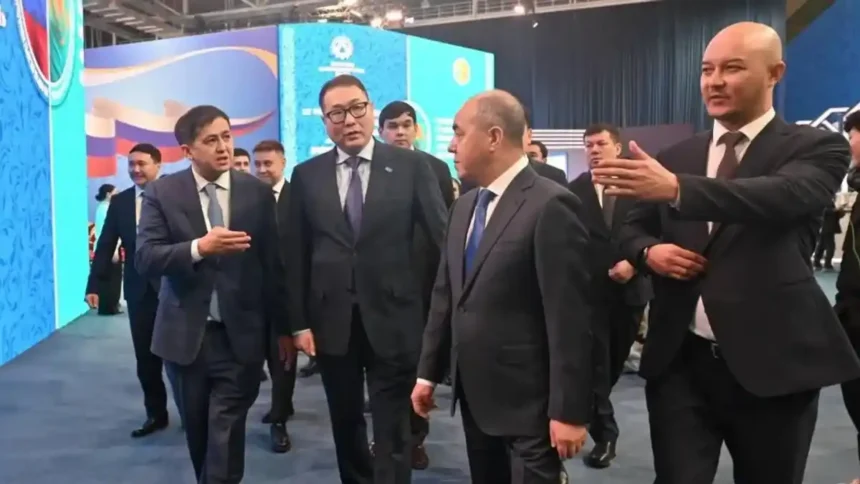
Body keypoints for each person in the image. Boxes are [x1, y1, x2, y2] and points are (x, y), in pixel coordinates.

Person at [593, 22, 860, 483]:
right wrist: (649, 253)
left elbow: (782, 195)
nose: (714, 81)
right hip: (681, 362)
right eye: (706, 70)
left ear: (775, 73)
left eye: (732, 68)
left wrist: (678, 190)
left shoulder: (816, 147)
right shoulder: (677, 155)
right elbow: (632, 228)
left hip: (774, 364)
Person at [411, 90, 591, 484]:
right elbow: (446, 297)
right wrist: (427, 373)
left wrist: (569, 410)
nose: (451, 145)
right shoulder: (463, 207)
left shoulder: (551, 205)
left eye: (459, 133)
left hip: (531, 407)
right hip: (475, 398)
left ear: (493, 137)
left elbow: (571, 320)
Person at [286, 74, 447, 484]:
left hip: (396, 316)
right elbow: (295, 255)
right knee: (345, 420)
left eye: (357, 108)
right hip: (331, 320)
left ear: (371, 109)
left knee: (394, 425)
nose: (349, 119)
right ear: (325, 122)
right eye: (337, 113)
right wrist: (299, 323)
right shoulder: (306, 176)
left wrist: (442, 314)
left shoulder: (413, 167)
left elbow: (441, 240)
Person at [136, 105, 293, 483]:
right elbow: (145, 258)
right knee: (199, 434)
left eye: (227, 136)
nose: (223, 147)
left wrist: (285, 329)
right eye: (211, 140)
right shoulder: (162, 192)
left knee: (225, 429)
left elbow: (274, 266)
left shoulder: (256, 193)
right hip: (185, 337)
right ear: (187, 151)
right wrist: (199, 248)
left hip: (241, 338)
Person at [376, 99, 456, 469]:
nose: (401, 132)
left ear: (417, 129)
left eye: (406, 125)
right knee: (381, 369)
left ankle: (415, 438)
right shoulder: (368, 169)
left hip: (423, 285)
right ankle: (385, 437)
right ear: (381, 132)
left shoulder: (435, 168)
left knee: (417, 367)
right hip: (378, 287)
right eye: (393, 126)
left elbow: (443, 230)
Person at [568, 123, 652, 469]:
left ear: (617, 148)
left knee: (612, 366)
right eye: (588, 145)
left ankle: (597, 413)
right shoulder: (572, 192)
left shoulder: (639, 187)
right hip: (589, 295)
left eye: (601, 143)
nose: (594, 150)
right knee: (596, 367)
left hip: (630, 293)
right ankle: (606, 434)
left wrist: (636, 263)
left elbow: (657, 231)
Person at [86, 144, 181, 437]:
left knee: (183, 355)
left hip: (177, 288)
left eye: (142, 163)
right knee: (146, 359)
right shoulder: (121, 202)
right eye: (131, 164)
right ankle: (156, 414)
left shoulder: (177, 195)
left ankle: (193, 412)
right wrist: (94, 284)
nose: (135, 169)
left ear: (158, 165)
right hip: (139, 292)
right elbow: (105, 244)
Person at [252, 139, 298, 454]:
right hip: (253, 297)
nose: (262, 169)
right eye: (258, 164)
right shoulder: (246, 198)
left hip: (289, 297)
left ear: (282, 162)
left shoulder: (300, 199)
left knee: (284, 363)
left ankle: (279, 419)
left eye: (268, 163)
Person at [92, 183, 122, 315]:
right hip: (109, 248)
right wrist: (114, 250)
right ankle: (110, 306)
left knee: (108, 278)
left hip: (104, 247)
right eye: (116, 192)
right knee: (112, 279)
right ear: (109, 194)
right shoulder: (107, 209)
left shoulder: (101, 207)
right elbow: (109, 232)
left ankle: (109, 306)